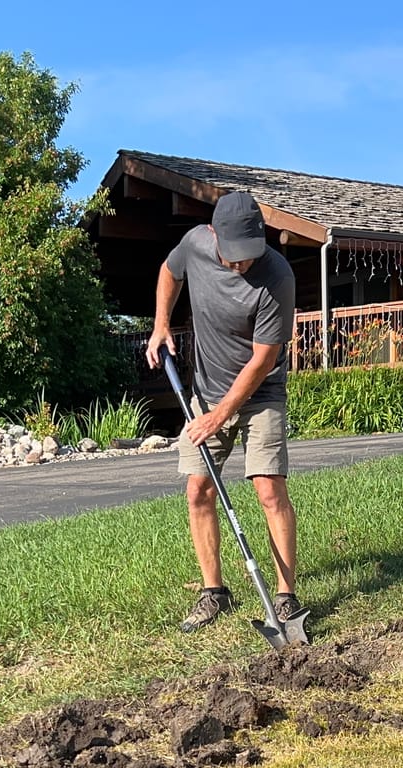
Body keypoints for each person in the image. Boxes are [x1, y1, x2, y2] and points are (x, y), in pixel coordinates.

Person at [145, 190, 302, 633]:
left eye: (249, 255)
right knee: (198, 490)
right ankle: (214, 592)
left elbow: (262, 361)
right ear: (214, 234)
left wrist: (219, 416)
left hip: (260, 394)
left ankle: (286, 598)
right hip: (206, 391)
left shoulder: (278, 276)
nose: (242, 264)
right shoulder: (195, 243)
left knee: (269, 489)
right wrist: (161, 324)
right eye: (234, 257)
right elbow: (169, 272)